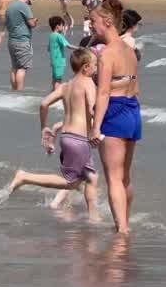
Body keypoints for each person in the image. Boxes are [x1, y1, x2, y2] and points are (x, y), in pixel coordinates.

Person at [7, 47, 100, 221]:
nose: (97, 68)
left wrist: (44, 127)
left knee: (92, 177)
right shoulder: (88, 83)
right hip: (79, 139)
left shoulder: (65, 86)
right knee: (70, 183)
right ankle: (24, 177)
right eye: (95, 65)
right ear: (86, 67)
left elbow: (44, 104)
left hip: (67, 137)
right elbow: (92, 109)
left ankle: (94, 217)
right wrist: (99, 128)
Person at [88, 0, 140, 235]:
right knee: (125, 177)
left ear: (107, 21)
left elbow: (103, 92)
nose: (91, 25)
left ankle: (122, 229)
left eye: (93, 21)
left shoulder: (107, 54)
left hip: (115, 110)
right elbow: (134, 86)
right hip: (132, 110)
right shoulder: (129, 50)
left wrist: (95, 126)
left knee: (113, 177)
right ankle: (124, 222)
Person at [5, 0, 38, 91]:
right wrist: (35, 21)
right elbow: (31, 23)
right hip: (22, 40)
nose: (28, 3)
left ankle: (13, 91)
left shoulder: (10, 6)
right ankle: (20, 93)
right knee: (22, 68)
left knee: (14, 67)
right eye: (29, 1)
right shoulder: (23, 6)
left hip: (11, 40)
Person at [47, 15, 71, 92]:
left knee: (55, 79)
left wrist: (63, 33)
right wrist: (79, 48)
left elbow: (49, 49)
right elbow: (68, 45)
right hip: (59, 61)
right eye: (62, 25)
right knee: (58, 80)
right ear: (57, 26)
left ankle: (52, 93)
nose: (63, 27)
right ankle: (56, 94)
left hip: (53, 61)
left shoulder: (51, 36)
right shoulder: (59, 36)